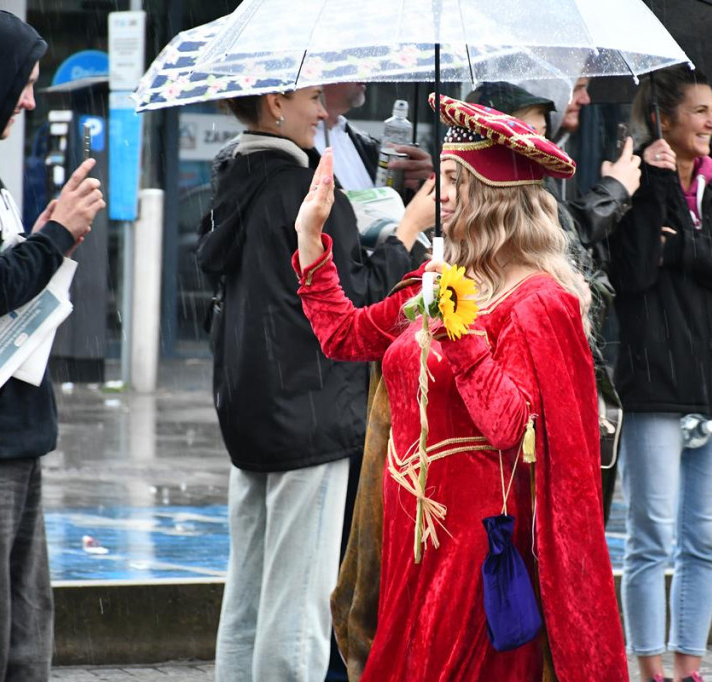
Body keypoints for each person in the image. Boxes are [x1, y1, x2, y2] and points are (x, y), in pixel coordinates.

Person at [293, 94, 627, 680]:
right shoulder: (438, 279)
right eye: (441, 175)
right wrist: (310, 241)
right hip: (407, 537)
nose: (438, 193)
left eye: (454, 177)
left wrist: (459, 328)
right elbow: (345, 337)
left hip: (477, 549)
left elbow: (508, 426)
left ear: (493, 193)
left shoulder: (540, 302)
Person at [196, 86, 431, 682]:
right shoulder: (304, 192)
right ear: (275, 103)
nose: (324, 110)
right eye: (311, 98)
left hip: (249, 410)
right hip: (311, 409)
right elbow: (357, 305)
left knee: (247, 597)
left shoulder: (234, 181)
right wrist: (407, 230)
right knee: (299, 603)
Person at [0, 6, 105, 680]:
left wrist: (38, 235)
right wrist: (56, 235)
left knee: (24, 637)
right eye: (23, 82)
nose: (30, 100)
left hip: (14, 434)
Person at [609, 64, 712, 682]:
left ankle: (689, 668)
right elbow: (634, 276)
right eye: (701, 111)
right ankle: (649, 667)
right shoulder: (630, 187)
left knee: (705, 542)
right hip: (655, 389)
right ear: (664, 117)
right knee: (651, 541)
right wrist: (652, 185)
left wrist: (688, 248)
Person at [468, 79, 641, 520]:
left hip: (565, 401)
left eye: (543, 132)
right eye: (532, 133)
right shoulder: (495, 221)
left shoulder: (541, 204)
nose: (541, 144)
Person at [314, 82, 433, 191]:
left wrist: (421, 184)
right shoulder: (298, 148)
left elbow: (392, 202)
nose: (363, 73)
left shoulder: (364, 142)